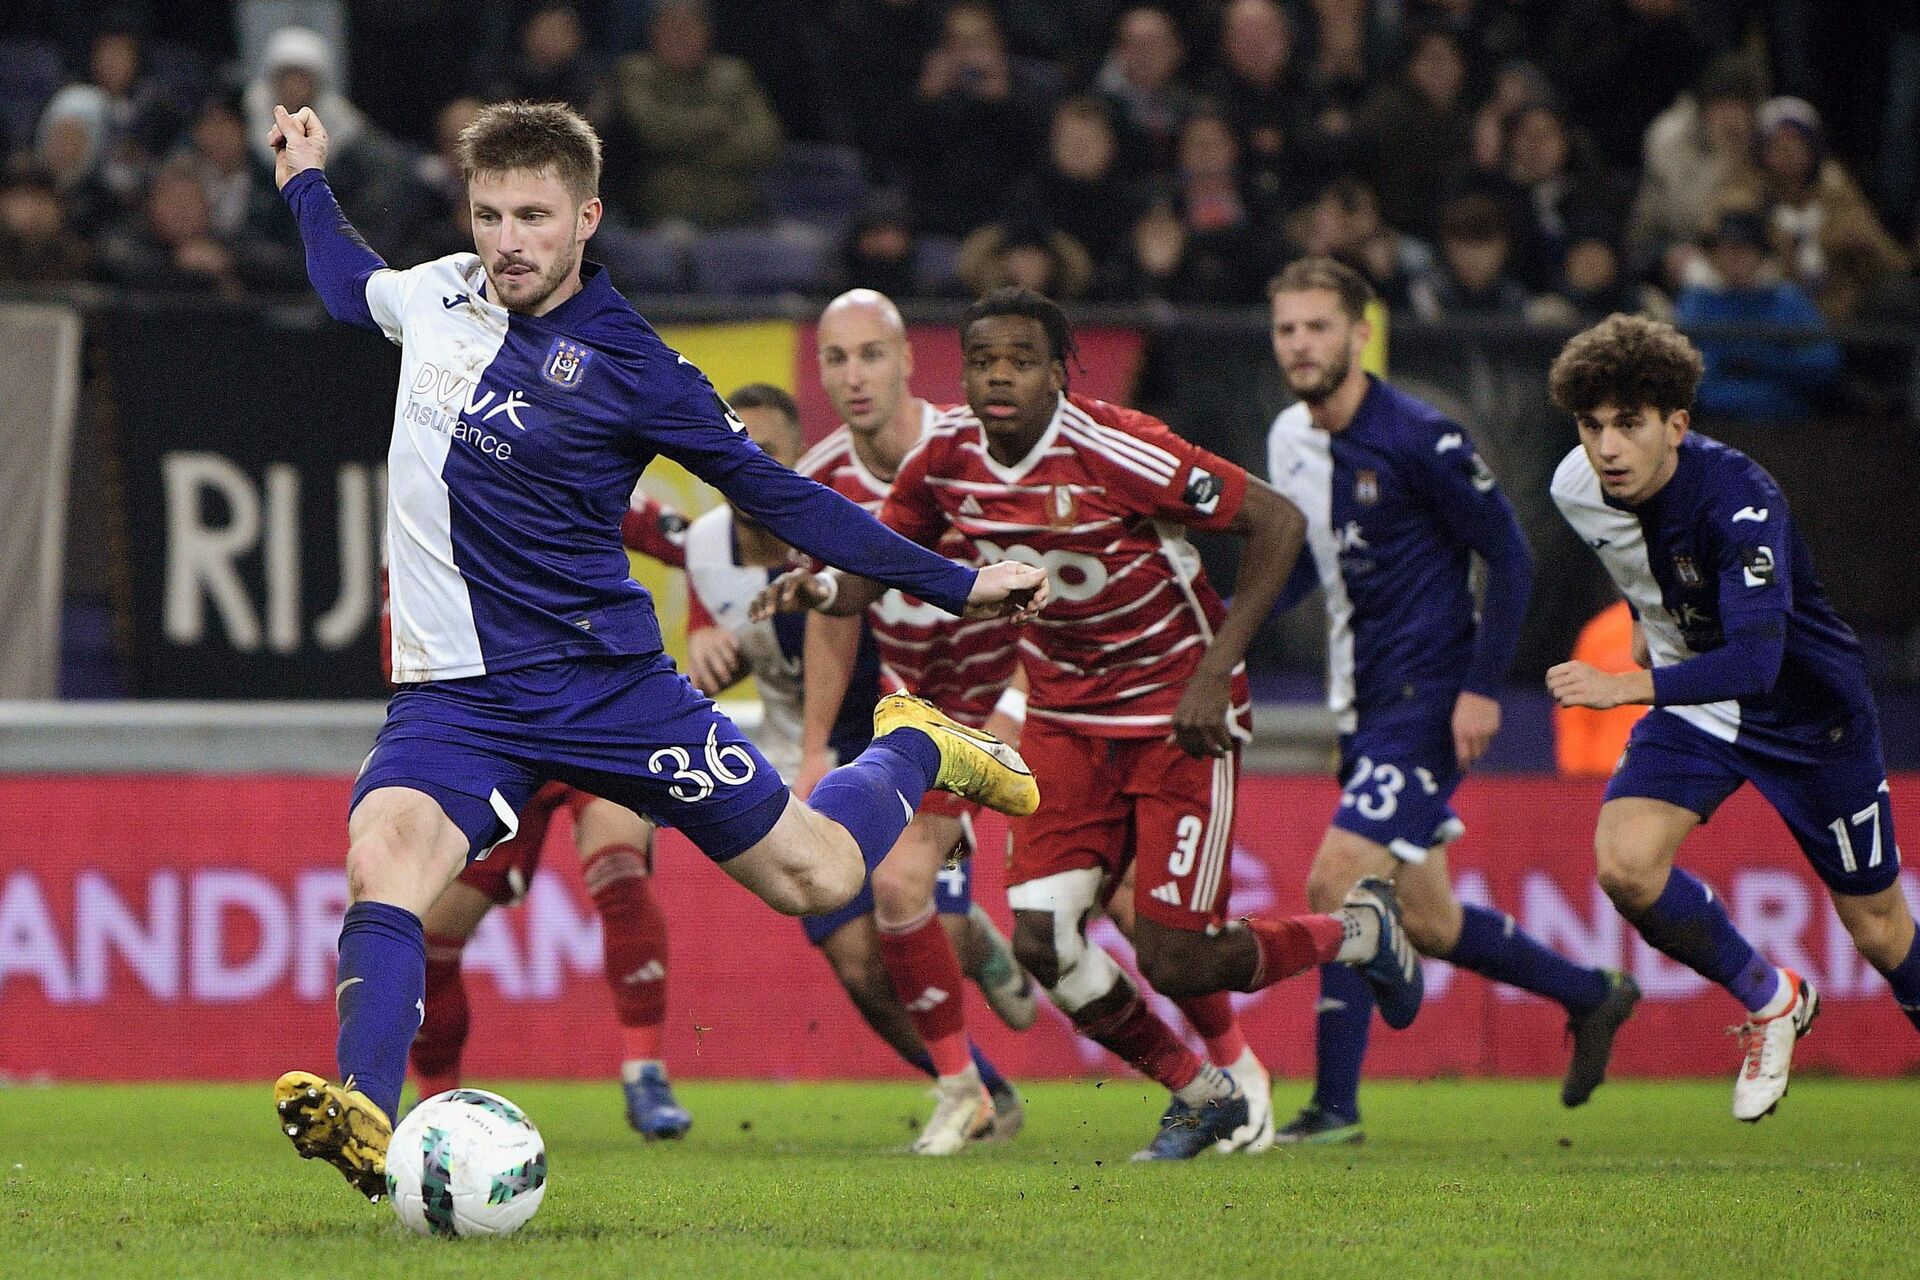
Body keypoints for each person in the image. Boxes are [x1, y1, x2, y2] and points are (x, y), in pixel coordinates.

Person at [265, 99, 1048, 1201]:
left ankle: (915, 745)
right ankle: (365, 1113)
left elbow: (780, 493)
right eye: (490, 214)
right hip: (456, 697)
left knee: (818, 872)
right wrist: (304, 178)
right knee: (382, 863)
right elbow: (349, 283)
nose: (508, 241)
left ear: (586, 217)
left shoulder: (638, 366)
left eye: (534, 216)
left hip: (609, 689)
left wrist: (959, 583)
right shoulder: (440, 291)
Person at [757, 287, 1424, 1161]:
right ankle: (1200, 1090)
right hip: (1067, 716)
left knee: (1177, 956)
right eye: (985, 360)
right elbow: (880, 565)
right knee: (1040, 937)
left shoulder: (1118, 448)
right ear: (962, 369)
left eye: (1021, 361)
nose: (1000, 376)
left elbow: (1278, 521)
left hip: (1176, 711)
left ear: (1058, 375)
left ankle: (1361, 931)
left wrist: (1214, 672)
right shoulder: (944, 460)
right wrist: (818, 589)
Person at [1264, 258, 1639, 1144]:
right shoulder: (1301, 439)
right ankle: (1592, 995)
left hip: (1427, 698)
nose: (1301, 345)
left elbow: (1509, 555)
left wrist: (1479, 692)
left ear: (1360, 334)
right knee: (1427, 920)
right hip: (1365, 706)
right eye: (1286, 329)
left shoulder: (1419, 436)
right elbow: (1315, 562)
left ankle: (1332, 1109)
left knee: (1336, 878)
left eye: (1319, 327)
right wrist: (1226, 630)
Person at [1546, 314, 1920, 1121]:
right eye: (1591, 425)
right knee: (1626, 866)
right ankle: (1772, 1000)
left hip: (1810, 716)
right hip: (1700, 706)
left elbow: (1758, 661)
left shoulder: (1740, 502)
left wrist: (1623, 686)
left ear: (1676, 425)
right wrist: (1655, 634)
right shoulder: (1575, 489)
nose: (1606, 448)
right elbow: (1640, 569)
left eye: (1628, 425)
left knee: (1881, 931)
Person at [688, 378, 1032, 1151]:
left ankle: (975, 946)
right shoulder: (702, 543)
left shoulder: (837, 518)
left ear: (795, 460)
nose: (744, 463)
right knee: (861, 968)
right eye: (732, 447)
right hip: (811, 755)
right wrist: (709, 654)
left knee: (921, 914)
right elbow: (729, 634)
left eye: (765, 451)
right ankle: (981, 1090)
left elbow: (838, 624)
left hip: (902, 741)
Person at [407, 493, 694, 1140]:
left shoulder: (572, 471)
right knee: (429, 933)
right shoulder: (426, 505)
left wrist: (708, 626)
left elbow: (702, 546)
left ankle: (644, 1071)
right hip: (498, 729)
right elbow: (406, 638)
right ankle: (436, 1106)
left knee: (618, 865)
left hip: (596, 713)